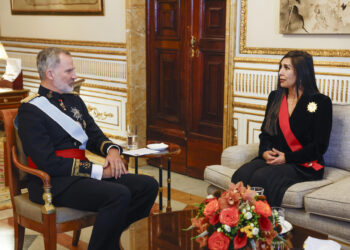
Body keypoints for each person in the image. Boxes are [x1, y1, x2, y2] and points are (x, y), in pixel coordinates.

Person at [17, 47, 159, 250]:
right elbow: (47, 162)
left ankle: (107, 241)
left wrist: (112, 151)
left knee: (147, 186)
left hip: (80, 175)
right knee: (118, 194)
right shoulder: (30, 110)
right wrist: (101, 171)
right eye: (69, 71)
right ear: (50, 73)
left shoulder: (74, 100)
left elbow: (95, 135)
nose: (75, 76)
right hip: (51, 182)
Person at [231, 50, 332, 207]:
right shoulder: (275, 97)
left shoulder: (321, 102)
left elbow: (319, 146)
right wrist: (264, 152)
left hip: (303, 164)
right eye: (280, 67)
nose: (280, 73)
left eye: (286, 68)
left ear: (302, 72)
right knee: (242, 173)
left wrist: (287, 158)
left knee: (262, 177)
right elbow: (266, 133)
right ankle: (235, 223)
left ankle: (260, 224)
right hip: (275, 158)